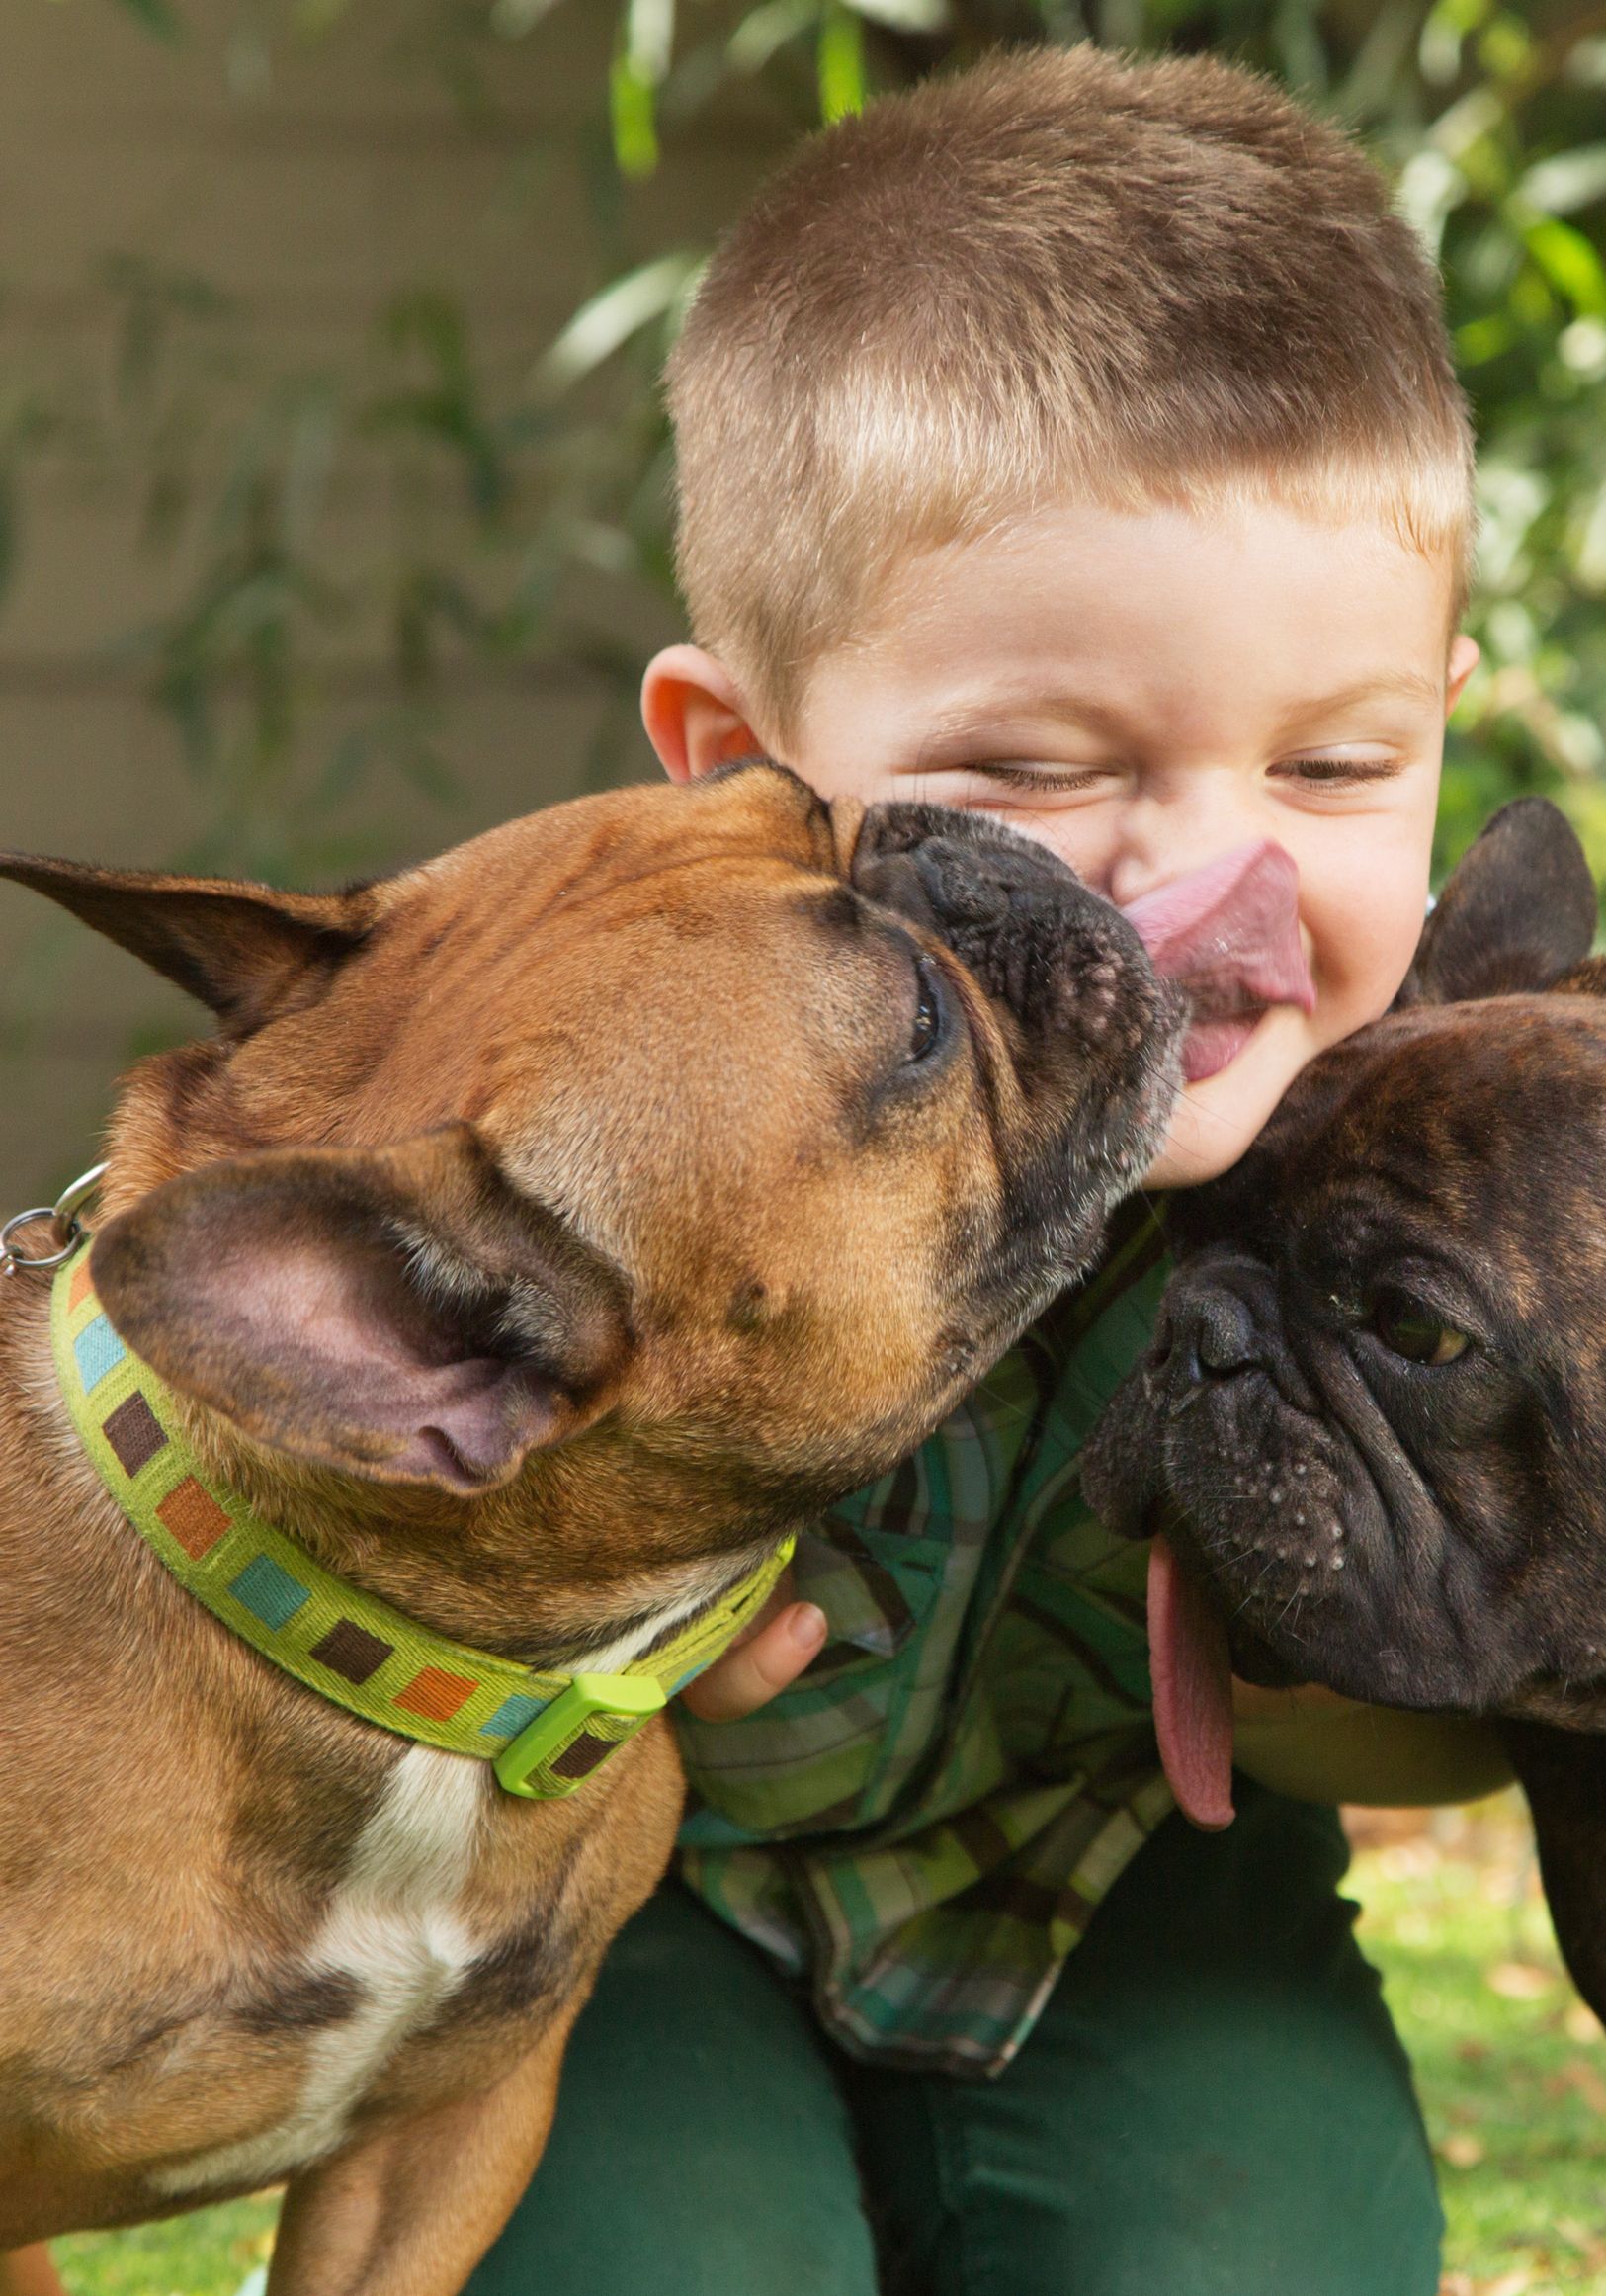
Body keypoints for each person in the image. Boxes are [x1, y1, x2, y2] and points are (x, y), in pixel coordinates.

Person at [461, 47, 1506, 2296]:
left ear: (1446, 718)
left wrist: (1343, 1649)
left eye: (1337, 768)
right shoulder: (596, 1111)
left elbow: (1473, 1724)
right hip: (621, 1882)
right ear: (737, 767)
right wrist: (571, 1644)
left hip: (1118, 1871)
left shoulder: (1438, 1176)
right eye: (1031, 771)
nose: (1206, 883)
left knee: (1267, 2261)